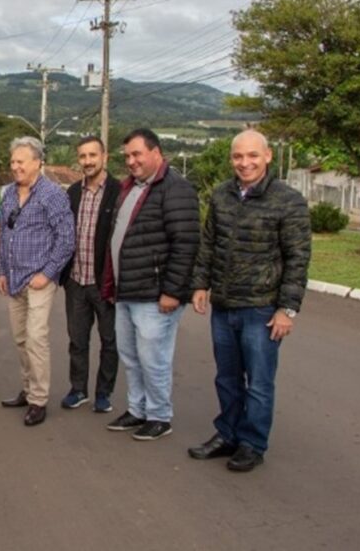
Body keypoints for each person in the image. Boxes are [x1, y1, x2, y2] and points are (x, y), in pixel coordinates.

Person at [188, 130, 311, 472]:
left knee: (258, 382)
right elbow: (209, 243)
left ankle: (252, 443)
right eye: (238, 157)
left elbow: (298, 258)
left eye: (252, 156)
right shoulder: (221, 195)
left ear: (268, 156)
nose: (245, 163)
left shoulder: (289, 201)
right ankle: (227, 434)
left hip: (262, 309)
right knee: (226, 378)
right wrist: (200, 284)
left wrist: (287, 309)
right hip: (224, 306)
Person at [101, 128, 199, 440]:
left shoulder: (176, 189)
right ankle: (137, 410)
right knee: (130, 356)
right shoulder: (131, 188)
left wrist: (171, 291)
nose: (131, 161)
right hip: (127, 291)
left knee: (153, 358)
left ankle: (159, 416)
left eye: (137, 154)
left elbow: (185, 244)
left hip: (155, 295)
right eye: (127, 156)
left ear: (156, 152)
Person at [0, 137, 75, 426]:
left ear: (37, 162)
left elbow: (66, 239)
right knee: (20, 339)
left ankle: (39, 400)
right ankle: (28, 390)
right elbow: (5, 235)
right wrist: (2, 271)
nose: (15, 166)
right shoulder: (8, 194)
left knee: (36, 339)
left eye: (21, 161)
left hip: (39, 280)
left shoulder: (52, 194)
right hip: (14, 278)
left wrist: (48, 273)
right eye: (13, 161)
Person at [58, 136, 120, 414]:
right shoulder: (72, 192)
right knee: (77, 340)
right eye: (83, 156)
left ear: (104, 157)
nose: (87, 161)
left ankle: (103, 393)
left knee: (110, 341)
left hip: (105, 282)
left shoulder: (120, 191)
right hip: (76, 281)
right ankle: (78, 389)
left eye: (93, 155)